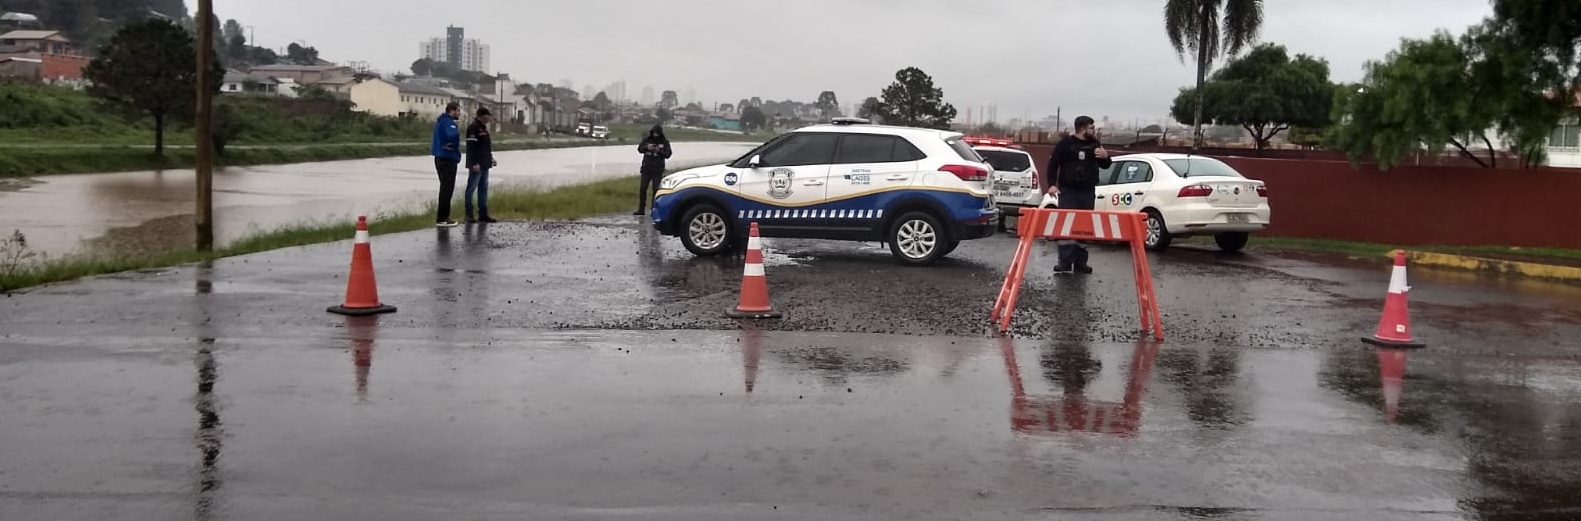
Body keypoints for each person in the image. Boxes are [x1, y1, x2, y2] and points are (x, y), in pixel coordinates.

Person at [1044, 115, 1111, 274]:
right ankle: (1065, 262)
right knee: (1067, 226)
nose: (1094, 130)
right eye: (1091, 127)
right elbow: (1053, 165)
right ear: (1082, 128)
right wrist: (1052, 185)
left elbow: (1106, 164)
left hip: (1087, 191)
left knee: (1084, 227)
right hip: (1068, 191)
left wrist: (1106, 157)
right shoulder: (1065, 144)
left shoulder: (1094, 144)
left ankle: (1081, 262)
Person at [430, 102, 463, 227]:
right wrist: (453, 146)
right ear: (452, 111)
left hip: (439, 157)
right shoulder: (448, 122)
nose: (459, 113)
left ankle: (442, 217)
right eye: (458, 111)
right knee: (447, 189)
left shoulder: (440, 122)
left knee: (444, 188)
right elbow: (453, 135)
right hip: (447, 159)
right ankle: (443, 218)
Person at [464, 107, 498, 224]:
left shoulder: (484, 128)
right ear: (482, 116)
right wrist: (474, 163)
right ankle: (469, 214)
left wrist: (491, 158)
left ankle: (483, 214)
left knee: (483, 189)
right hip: (476, 165)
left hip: (485, 164)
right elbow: (471, 148)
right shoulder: (473, 128)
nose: (489, 118)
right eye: (488, 116)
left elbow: (486, 147)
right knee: (471, 188)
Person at [635, 124, 672, 215]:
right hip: (646, 168)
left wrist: (658, 151)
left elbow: (668, 154)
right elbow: (639, 149)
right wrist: (647, 147)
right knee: (643, 188)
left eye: (657, 133)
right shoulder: (647, 140)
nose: (655, 135)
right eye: (654, 133)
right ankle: (641, 209)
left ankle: (654, 209)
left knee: (656, 190)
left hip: (658, 169)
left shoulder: (665, 142)